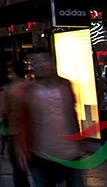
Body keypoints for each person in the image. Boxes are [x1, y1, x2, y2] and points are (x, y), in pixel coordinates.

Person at [10, 50, 84, 187]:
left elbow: (72, 114)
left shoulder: (66, 86)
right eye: (33, 62)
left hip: (71, 154)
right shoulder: (26, 92)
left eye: (42, 60)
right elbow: (19, 122)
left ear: (52, 62)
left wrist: (79, 141)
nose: (39, 65)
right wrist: (20, 149)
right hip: (40, 156)